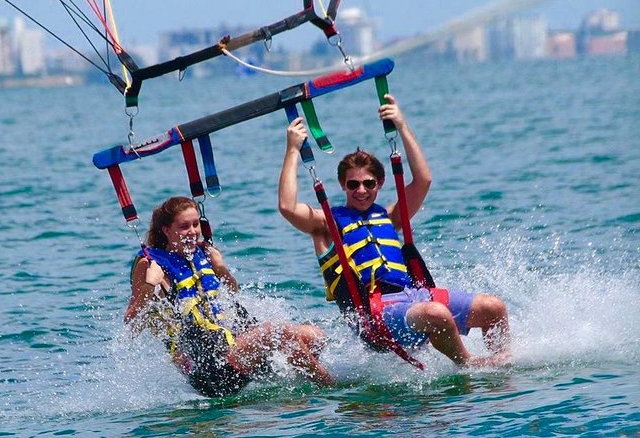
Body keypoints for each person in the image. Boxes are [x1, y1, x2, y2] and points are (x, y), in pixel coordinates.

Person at [278, 94, 511, 367]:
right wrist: (293, 150)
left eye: (368, 183)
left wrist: (401, 125)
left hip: (414, 296)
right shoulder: (326, 224)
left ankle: (503, 365)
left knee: (494, 308)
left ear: (380, 183)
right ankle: (470, 366)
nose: (362, 190)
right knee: (436, 313)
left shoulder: (390, 217)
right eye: (353, 185)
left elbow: (424, 179)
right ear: (342, 185)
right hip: (375, 315)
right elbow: (287, 206)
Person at [124, 196, 334, 397]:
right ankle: (329, 387)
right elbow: (132, 321)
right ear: (166, 230)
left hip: (232, 348)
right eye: (184, 226)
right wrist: (150, 285)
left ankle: (292, 387)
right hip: (208, 368)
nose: (192, 232)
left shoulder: (203, 252)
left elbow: (231, 293)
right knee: (275, 332)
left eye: (196, 224)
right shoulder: (150, 263)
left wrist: (221, 268)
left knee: (315, 336)